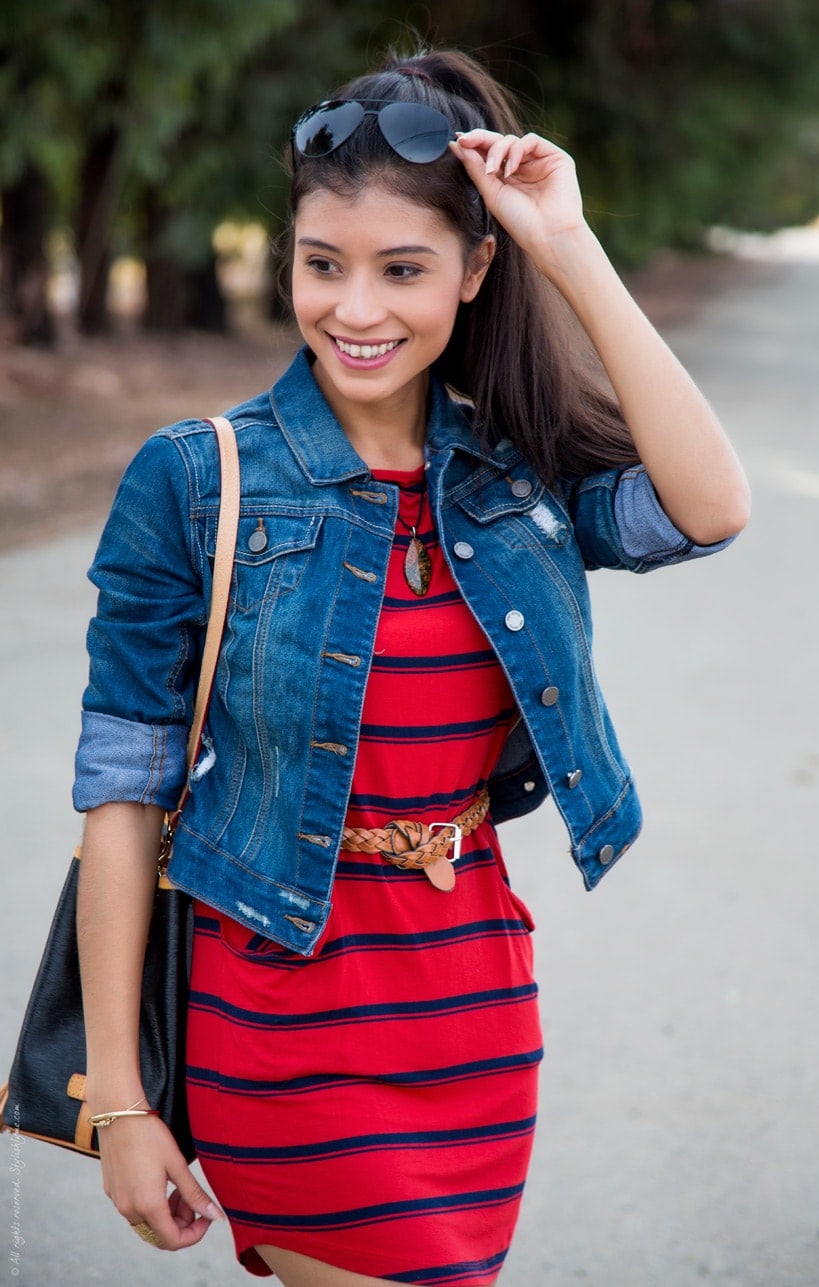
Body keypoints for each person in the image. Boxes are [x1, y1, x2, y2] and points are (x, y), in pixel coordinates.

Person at [73, 42, 750, 1287]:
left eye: (404, 269)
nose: (356, 309)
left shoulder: (517, 475)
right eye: (322, 265)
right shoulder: (195, 479)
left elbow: (709, 507)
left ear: (476, 270)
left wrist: (570, 246)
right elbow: (123, 784)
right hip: (280, 1009)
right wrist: (117, 1101)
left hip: (474, 1009)